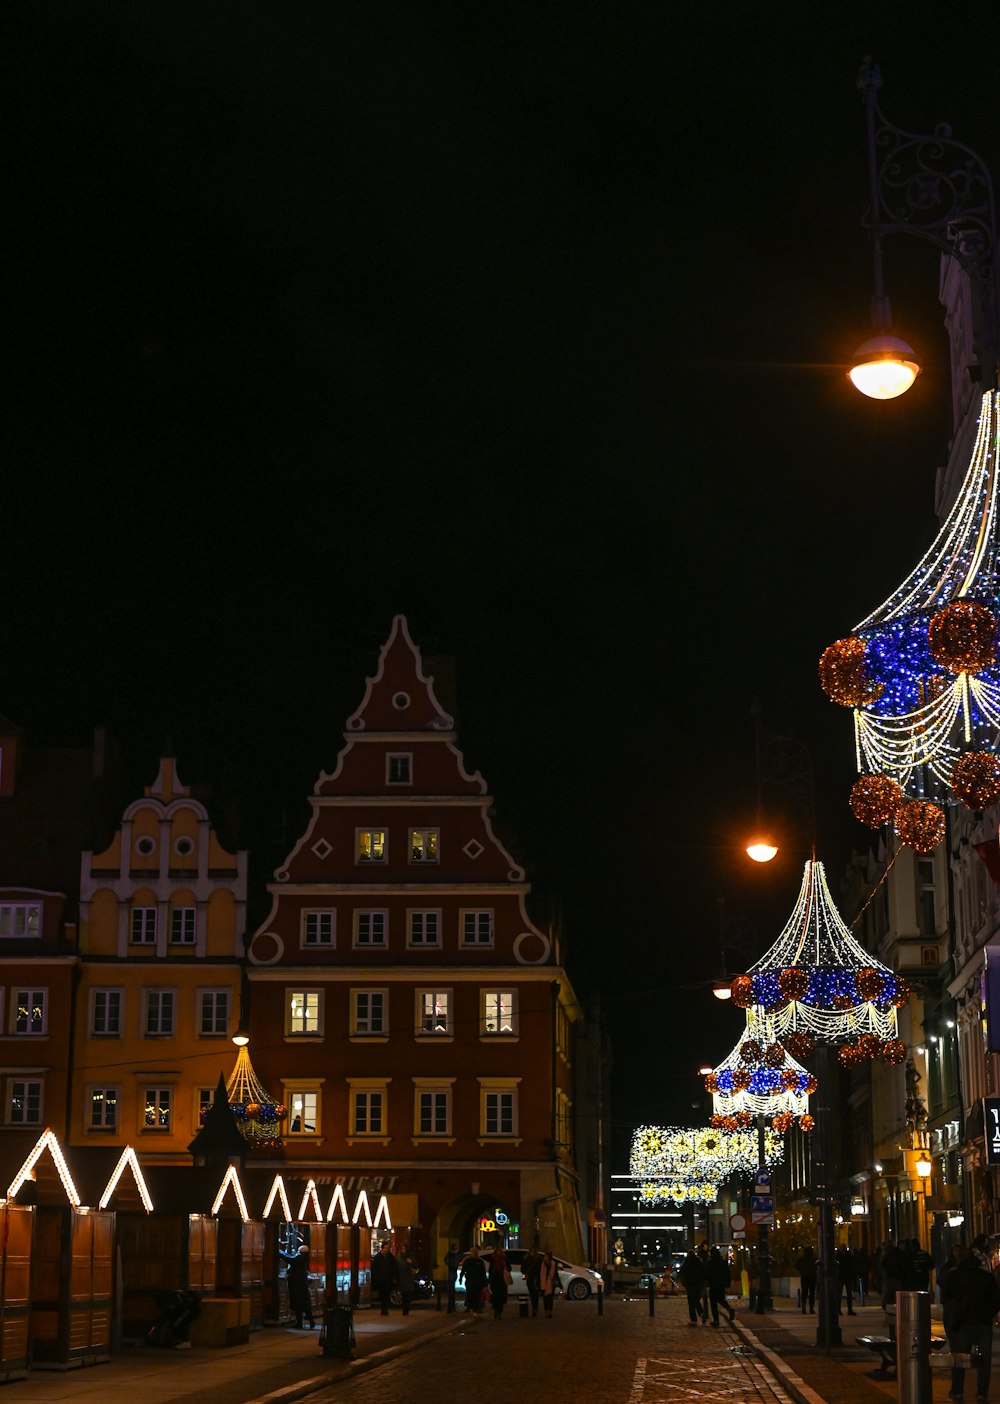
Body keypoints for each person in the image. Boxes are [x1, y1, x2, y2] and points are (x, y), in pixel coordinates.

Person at [941, 1245, 1000, 1404]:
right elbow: (996, 1300)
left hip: (962, 1324)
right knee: (984, 1360)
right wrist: (988, 1314)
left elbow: (944, 1299)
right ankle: (982, 1393)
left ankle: (958, 1391)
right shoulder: (985, 1277)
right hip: (983, 1323)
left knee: (959, 1358)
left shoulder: (953, 1276)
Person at [283, 1243, 315, 1329]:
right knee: (304, 1305)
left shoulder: (301, 1258)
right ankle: (309, 1321)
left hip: (298, 1286)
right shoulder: (303, 1258)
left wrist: (281, 1254)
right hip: (301, 1286)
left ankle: (300, 1323)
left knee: (298, 1304)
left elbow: (292, 1260)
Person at [707, 1246, 735, 1327]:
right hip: (721, 1285)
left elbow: (707, 1273)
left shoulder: (711, 1263)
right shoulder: (723, 1262)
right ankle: (729, 1309)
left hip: (713, 1285)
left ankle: (716, 1320)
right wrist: (727, 1284)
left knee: (713, 1303)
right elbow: (727, 1273)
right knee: (721, 1299)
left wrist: (706, 1281)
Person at [678, 1249, 707, 1326]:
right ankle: (701, 1313)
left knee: (691, 1302)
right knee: (697, 1300)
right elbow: (703, 1272)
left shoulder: (687, 1262)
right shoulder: (699, 1262)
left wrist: (683, 1281)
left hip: (690, 1284)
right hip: (698, 1284)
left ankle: (693, 1320)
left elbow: (681, 1272)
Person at [371, 1241, 399, 1317]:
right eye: (386, 1248)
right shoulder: (378, 1257)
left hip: (388, 1279)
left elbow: (394, 1268)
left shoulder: (390, 1257)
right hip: (380, 1280)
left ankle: (385, 1309)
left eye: (388, 1248)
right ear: (382, 1248)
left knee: (386, 1295)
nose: (387, 1249)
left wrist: (394, 1277)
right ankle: (383, 1308)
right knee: (381, 1295)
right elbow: (374, 1269)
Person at [459, 1246, 487, 1315]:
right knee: (470, 1294)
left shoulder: (480, 1261)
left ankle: (476, 1308)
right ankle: (470, 1307)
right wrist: (460, 1278)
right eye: (473, 1252)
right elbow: (463, 1270)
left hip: (478, 1281)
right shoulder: (468, 1261)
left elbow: (483, 1273)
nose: (474, 1254)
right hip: (470, 1280)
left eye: (475, 1252)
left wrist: (484, 1283)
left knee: (477, 1294)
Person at [488, 1244, 510, 1319]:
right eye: (498, 1251)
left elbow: (509, 1267)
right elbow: (490, 1270)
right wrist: (490, 1280)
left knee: (501, 1297)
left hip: (502, 1280)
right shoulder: (493, 1259)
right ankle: (496, 1311)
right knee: (496, 1297)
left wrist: (506, 1268)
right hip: (495, 1280)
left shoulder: (505, 1259)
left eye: (500, 1251)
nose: (499, 1252)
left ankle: (499, 1312)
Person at [397, 1243, 418, 1316]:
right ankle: (404, 1309)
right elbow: (397, 1266)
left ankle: (406, 1309)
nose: (403, 1250)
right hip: (402, 1278)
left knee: (407, 1295)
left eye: (404, 1249)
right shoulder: (399, 1257)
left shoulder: (410, 1257)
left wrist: (411, 1263)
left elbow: (416, 1266)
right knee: (403, 1295)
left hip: (408, 1278)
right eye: (402, 1249)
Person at [521, 1245, 542, 1317]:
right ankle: (534, 1309)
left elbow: (540, 1270)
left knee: (535, 1295)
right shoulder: (526, 1259)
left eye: (533, 1252)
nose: (532, 1253)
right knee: (532, 1294)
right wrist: (524, 1275)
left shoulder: (538, 1260)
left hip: (536, 1279)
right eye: (531, 1252)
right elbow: (522, 1269)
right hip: (529, 1279)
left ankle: (535, 1310)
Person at [836, 1244, 856, 1315]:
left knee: (848, 1294)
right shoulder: (839, 1256)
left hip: (846, 1276)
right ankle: (839, 1310)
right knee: (839, 1294)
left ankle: (849, 1310)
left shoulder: (846, 1255)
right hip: (841, 1276)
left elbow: (852, 1265)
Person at [796, 1245, 817, 1314]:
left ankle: (804, 1308)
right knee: (812, 1293)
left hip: (804, 1277)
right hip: (812, 1277)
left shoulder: (801, 1259)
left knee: (804, 1292)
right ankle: (811, 1308)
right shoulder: (814, 1259)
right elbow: (817, 1267)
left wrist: (802, 1272)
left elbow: (797, 1266)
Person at [539, 1249, 559, 1319]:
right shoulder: (542, 1264)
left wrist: (559, 1284)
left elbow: (556, 1274)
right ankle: (546, 1311)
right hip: (544, 1283)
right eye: (545, 1256)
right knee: (545, 1298)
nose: (545, 1258)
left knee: (550, 1298)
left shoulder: (553, 1264)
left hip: (551, 1283)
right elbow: (540, 1274)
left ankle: (550, 1312)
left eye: (547, 1256)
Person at [444, 1242, 462, 1314]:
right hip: (452, 1270)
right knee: (451, 1288)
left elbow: (460, 1259)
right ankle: (451, 1306)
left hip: (454, 1270)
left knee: (452, 1288)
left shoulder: (456, 1253)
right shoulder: (451, 1253)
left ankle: (452, 1306)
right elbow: (445, 1259)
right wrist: (450, 1264)